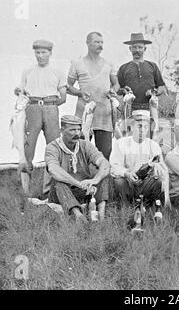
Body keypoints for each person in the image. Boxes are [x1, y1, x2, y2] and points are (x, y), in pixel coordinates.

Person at [14, 39, 67, 197]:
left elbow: (63, 97)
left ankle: (50, 192)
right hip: (32, 108)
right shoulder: (28, 71)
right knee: (27, 149)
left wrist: (49, 105)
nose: (40, 55)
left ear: (50, 53)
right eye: (37, 52)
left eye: (44, 52)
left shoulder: (57, 72)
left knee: (53, 149)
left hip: (51, 108)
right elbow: (21, 92)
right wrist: (18, 92)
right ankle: (25, 192)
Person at [45, 115, 111, 223]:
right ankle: (78, 215)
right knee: (59, 182)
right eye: (72, 130)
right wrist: (77, 183)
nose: (77, 133)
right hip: (62, 192)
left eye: (78, 129)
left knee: (103, 175)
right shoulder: (52, 147)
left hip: (83, 189)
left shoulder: (85, 145)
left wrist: (95, 180)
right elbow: (54, 170)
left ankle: (101, 214)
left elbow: (104, 164)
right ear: (62, 130)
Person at [67, 32, 120, 160]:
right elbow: (68, 86)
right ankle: (82, 179)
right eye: (96, 42)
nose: (100, 45)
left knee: (105, 154)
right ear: (88, 43)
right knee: (80, 153)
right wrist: (80, 92)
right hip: (84, 115)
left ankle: (102, 179)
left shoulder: (108, 64)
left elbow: (117, 84)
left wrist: (113, 90)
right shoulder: (77, 63)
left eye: (102, 42)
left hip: (104, 116)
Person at [109, 110, 164, 206]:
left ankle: (150, 205)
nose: (142, 130)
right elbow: (114, 167)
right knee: (119, 181)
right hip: (128, 183)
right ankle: (124, 205)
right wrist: (127, 173)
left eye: (146, 127)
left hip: (145, 183)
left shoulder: (153, 145)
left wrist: (154, 172)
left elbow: (161, 168)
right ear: (132, 127)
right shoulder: (121, 143)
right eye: (139, 126)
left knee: (158, 182)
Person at [117, 33, 167, 135]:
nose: (137, 50)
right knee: (130, 140)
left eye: (140, 47)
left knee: (150, 140)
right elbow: (117, 89)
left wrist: (154, 92)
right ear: (130, 49)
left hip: (150, 109)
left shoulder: (152, 66)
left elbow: (162, 87)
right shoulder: (123, 68)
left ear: (145, 49)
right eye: (134, 47)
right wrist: (124, 91)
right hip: (130, 109)